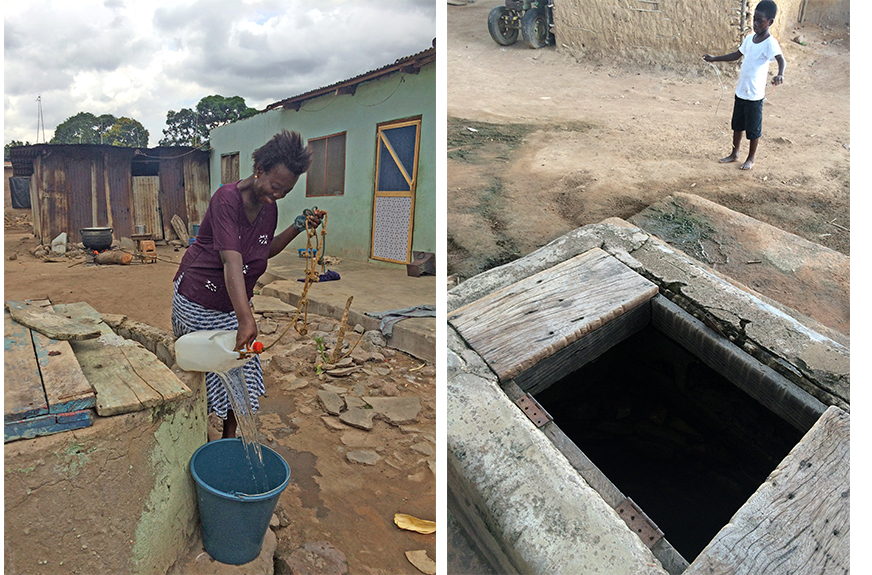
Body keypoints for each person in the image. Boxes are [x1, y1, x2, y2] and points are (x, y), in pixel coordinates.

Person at [172, 130, 324, 439]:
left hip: (232, 301)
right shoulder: (226, 200)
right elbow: (232, 261)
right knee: (213, 370)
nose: (278, 194)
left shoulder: (269, 207)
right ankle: (196, 437)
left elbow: (262, 250)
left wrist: (297, 227)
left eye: (286, 190)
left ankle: (229, 440)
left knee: (242, 370)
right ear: (259, 170)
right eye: (275, 186)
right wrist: (246, 318)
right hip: (199, 298)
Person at [703, 0, 785, 170]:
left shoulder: (770, 43)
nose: (755, 23)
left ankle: (751, 158)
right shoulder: (749, 39)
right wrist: (714, 58)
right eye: (754, 19)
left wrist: (780, 74)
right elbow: (736, 55)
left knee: (753, 130)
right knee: (737, 125)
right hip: (741, 91)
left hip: (754, 95)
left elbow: (780, 60)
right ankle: (735, 153)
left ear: (770, 22)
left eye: (760, 21)